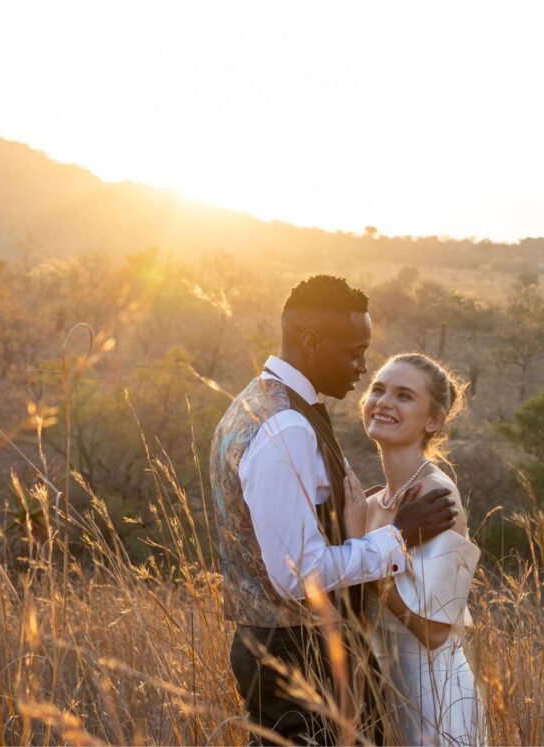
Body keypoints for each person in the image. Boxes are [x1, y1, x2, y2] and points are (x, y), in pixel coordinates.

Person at [209, 275, 458, 745]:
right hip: (299, 656)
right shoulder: (286, 426)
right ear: (310, 341)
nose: (362, 367)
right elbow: (297, 574)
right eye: (354, 351)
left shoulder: (263, 404)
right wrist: (399, 535)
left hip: (287, 651)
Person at [348, 352, 487, 746]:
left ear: (434, 420)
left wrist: (370, 570)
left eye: (404, 395)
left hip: (435, 701)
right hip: (384, 693)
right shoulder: (375, 502)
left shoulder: (437, 495)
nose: (384, 402)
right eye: (378, 389)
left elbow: (437, 631)